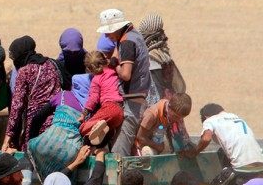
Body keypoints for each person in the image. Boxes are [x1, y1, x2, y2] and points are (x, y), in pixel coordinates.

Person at [96, 9, 151, 156]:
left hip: (132, 102)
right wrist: (114, 59)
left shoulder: (126, 42)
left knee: (119, 152)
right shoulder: (133, 35)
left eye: (108, 31)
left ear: (117, 28)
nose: (106, 35)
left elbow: (126, 75)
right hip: (139, 98)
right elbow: (117, 50)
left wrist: (115, 66)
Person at [3, 36, 67, 152]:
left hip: (36, 127)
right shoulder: (52, 64)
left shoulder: (24, 72)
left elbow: (17, 106)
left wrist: (8, 137)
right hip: (57, 124)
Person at [193, 104, 263, 185]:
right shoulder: (235, 117)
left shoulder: (210, 120)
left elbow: (206, 139)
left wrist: (195, 152)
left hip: (243, 170)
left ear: (206, 117)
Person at [138, 14, 186, 106]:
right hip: (172, 102)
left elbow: (157, 89)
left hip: (160, 107)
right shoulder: (163, 54)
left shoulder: (152, 57)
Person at [78, 50, 124, 146]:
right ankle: (103, 128)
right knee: (107, 130)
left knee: (83, 129)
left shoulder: (96, 79)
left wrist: (83, 115)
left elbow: (93, 99)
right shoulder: (113, 71)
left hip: (109, 108)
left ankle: (99, 124)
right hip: (121, 110)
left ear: (90, 69)